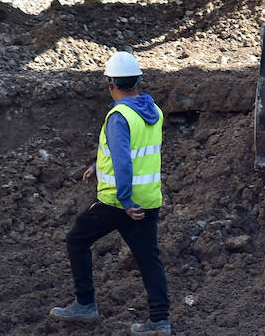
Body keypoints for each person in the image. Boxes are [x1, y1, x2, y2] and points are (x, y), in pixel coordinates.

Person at [51, 52, 171, 334]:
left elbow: (123, 160)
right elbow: (132, 151)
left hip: (118, 202)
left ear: (110, 84)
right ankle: (160, 321)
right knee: (148, 259)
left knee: (77, 240)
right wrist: (97, 165)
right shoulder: (153, 112)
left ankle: (85, 305)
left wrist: (126, 200)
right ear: (138, 82)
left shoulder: (119, 116)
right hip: (149, 201)